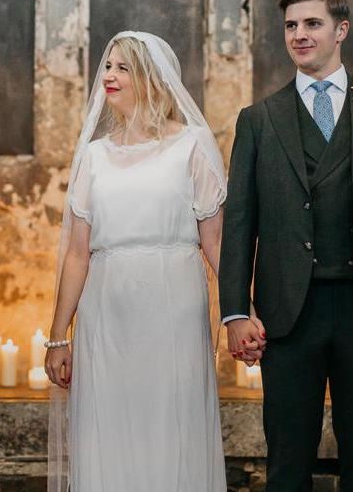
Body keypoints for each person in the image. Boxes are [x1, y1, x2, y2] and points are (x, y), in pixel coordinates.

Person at [219, 0, 353, 491]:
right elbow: (240, 220)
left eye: (312, 24)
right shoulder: (258, 120)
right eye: (291, 26)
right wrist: (236, 311)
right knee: (286, 463)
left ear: (340, 30)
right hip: (288, 313)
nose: (299, 35)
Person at [45, 31, 232, 492]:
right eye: (107, 66)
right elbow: (76, 253)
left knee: (171, 424)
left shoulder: (192, 146)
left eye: (122, 67)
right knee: (110, 426)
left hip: (174, 305)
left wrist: (240, 310)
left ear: (152, 77)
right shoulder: (94, 156)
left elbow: (216, 243)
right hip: (107, 312)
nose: (108, 76)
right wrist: (57, 338)